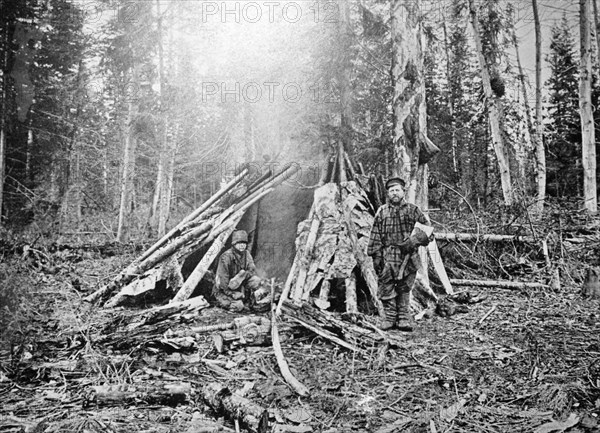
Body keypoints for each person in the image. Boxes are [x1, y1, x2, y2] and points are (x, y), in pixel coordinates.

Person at [367, 177, 432, 331]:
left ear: (403, 192)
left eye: (397, 190)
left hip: (408, 257)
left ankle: (403, 317)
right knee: (386, 286)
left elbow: (428, 231)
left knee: (404, 287)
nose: (394, 193)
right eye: (391, 190)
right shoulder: (382, 211)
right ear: (388, 194)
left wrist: (414, 241)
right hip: (387, 256)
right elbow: (375, 234)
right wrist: (376, 255)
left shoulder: (413, 210)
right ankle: (389, 318)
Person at [213, 230, 263, 312]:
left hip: (239, 286)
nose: (242, 245)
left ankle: (246, 299)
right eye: (239, 243)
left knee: (256, 280)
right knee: (238, 306)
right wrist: (232, 293)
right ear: (234, 244)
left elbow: (252, 269)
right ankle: (223, 302)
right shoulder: (226, 257)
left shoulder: (246, 254)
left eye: (244, 243)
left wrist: (242, 275)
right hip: (224, 290)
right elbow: (222, 283)